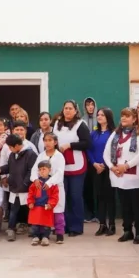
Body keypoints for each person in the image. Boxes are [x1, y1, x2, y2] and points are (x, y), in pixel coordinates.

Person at [103, 107, 139, 244]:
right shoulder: (115, 134)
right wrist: (112, 167)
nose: (123, 118)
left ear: (135, 119)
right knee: (124, 206)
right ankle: (127, 231)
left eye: (127, 116)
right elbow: (106, 153)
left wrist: (126, 166)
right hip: (118, 175)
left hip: (134, 176)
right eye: (122, 116)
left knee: (137, 206)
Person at [53, 100, 92, 237]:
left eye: (70, 108)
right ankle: (63, 226)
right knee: (62, 196)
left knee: (75, 196)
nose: (68, 110)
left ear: (75, 111)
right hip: (60, 165)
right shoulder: (57, 124)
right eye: (66, 108)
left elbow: (87, 143)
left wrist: (70, 145)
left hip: (76, 165)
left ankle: (76, 227)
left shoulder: (81, 125)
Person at [0, 134, 38, 242]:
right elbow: (10, 167)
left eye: (10, 147)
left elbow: (31, 171)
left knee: (30, 209)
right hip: (15, 188)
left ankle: (34, 229)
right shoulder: (12, 154)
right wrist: (1, 169)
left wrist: (25, 184)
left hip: (26, 188)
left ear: (16, 146)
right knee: (13, 210)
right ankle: (11, 229)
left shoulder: (30, 154)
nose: (9, 149)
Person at [31, 132, 66, 244]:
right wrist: (35, 179)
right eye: (45, 140)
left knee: (58, 211)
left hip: (55, 187)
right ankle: (43, 234)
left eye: (50, 140)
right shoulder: (41, 156)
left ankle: (60, 233)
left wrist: (50, 182)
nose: (47, 143)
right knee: (44, 210)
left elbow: (60, 172)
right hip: (42, 189)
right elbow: (34, 170)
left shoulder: (59, 156)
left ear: (55, 142)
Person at [87, 108, 116, 236]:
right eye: (98, 115)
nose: (99, 117)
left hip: (109, 169)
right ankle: (102, 224)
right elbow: (89, 149)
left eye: (102, 115)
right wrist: (94, 163)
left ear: (108, 117)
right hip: (96, 170)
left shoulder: (114, 133)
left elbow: (115, 151)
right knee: (99, 197)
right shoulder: (94, 133)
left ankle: (112, 225)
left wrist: (105, 165)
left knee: (109, 197)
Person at [28, 160, 60, 246]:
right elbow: (30, 193)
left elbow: (55, 196)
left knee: (46, 224)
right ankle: (35, 237)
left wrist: (51, 204)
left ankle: (45, 237)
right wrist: (30, 202)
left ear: (49, 170)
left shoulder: (52, 183)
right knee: (35, 224)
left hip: (46, 206)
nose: (42, 171)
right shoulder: (36, 182)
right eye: (40, 169)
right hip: (36, 206)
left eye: (44, 169)